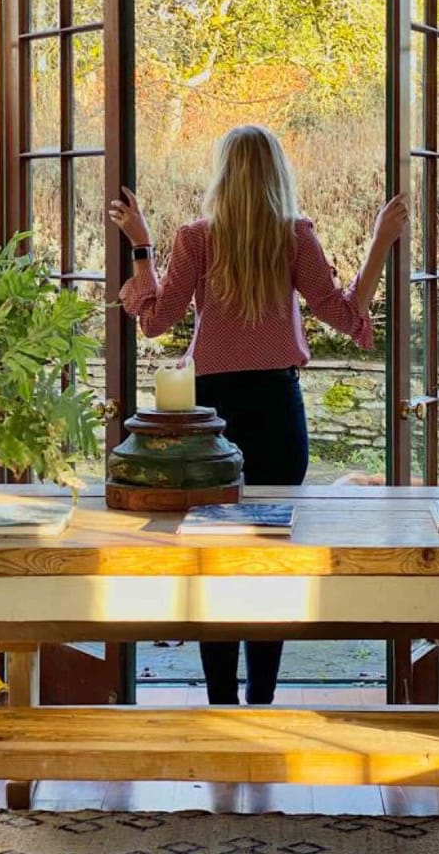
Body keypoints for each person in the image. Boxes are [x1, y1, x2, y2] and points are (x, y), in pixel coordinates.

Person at [109, 124, 409, 706]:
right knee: (271, 557)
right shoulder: (294, 237)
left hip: (212, 418)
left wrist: (141, 244)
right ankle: (261, 702)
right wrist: (380, 242)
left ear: (223, 175)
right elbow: (346, 316)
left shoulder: (197, 239)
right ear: (278, 175)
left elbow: (154, 320)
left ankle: (222, 699)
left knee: (213, 560)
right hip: (277, 411)